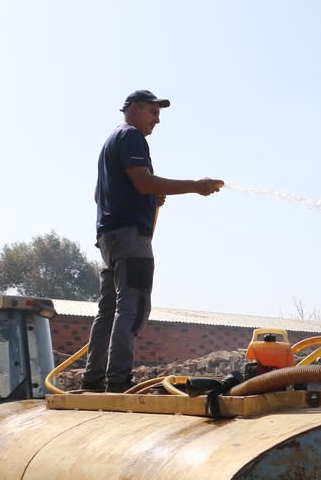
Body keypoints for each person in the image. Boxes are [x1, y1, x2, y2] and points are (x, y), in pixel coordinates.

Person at [81, 90, 224, 393]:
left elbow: (101, 194)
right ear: (134, 109)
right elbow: (143, 181)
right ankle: (118, 380)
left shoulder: (111, 142)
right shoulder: (132, 137)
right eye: (153, 112)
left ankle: (92, 380)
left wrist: (145, 195)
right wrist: (195, 187)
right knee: (131, 307)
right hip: (131, 238)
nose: (157, 119)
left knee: (107, 310)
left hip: (109, 239)